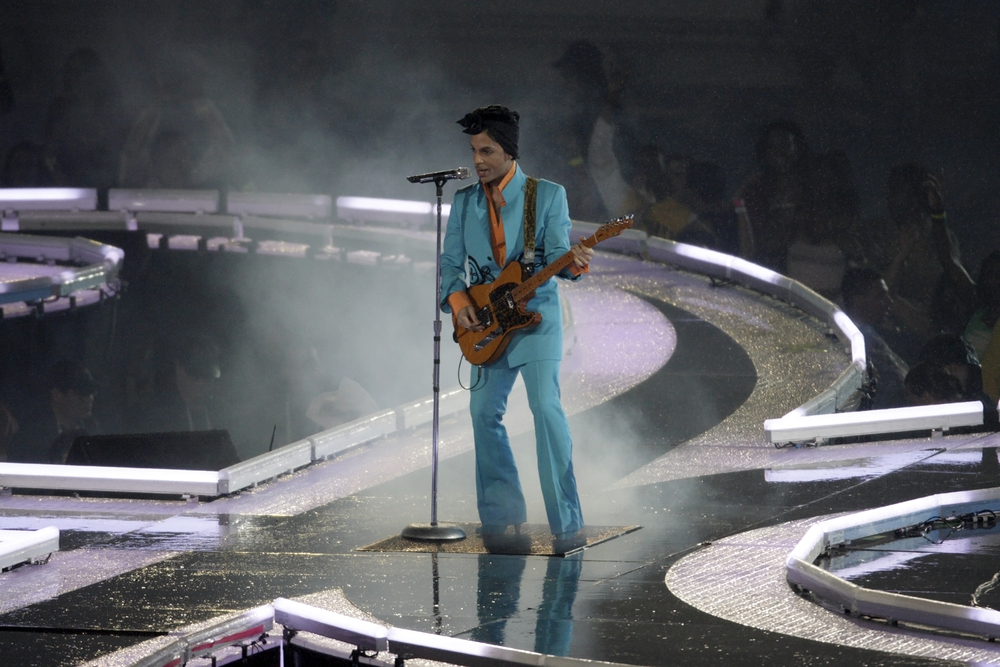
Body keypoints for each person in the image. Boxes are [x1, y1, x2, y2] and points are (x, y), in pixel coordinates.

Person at [442, 105, 593, 553]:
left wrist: (576, 264)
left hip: (536, 321)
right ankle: (503, 519)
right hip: (488, 323)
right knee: (481, 415)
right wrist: (459, 302)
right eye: (474, 151)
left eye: (486, 151)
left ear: (509, 152)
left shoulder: (546, 195)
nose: (478, 161)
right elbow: (451, 264)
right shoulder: (465, 201)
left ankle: (567, 522)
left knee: (546, 409)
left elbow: (560, 259)